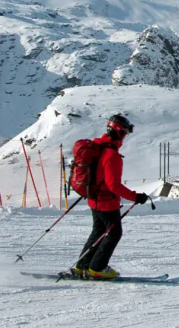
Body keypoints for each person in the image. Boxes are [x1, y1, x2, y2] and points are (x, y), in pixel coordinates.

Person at [72, 114, 149, 279]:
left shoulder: (98, 147)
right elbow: (113, 185)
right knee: (114, 234)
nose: (125, 137)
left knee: (98, 231)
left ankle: (83, 265)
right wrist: (135, 197)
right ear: (120, 132)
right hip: (106, 202)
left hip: (94, 198)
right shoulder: (111, 155)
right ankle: (97, 268)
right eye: (125, 133)